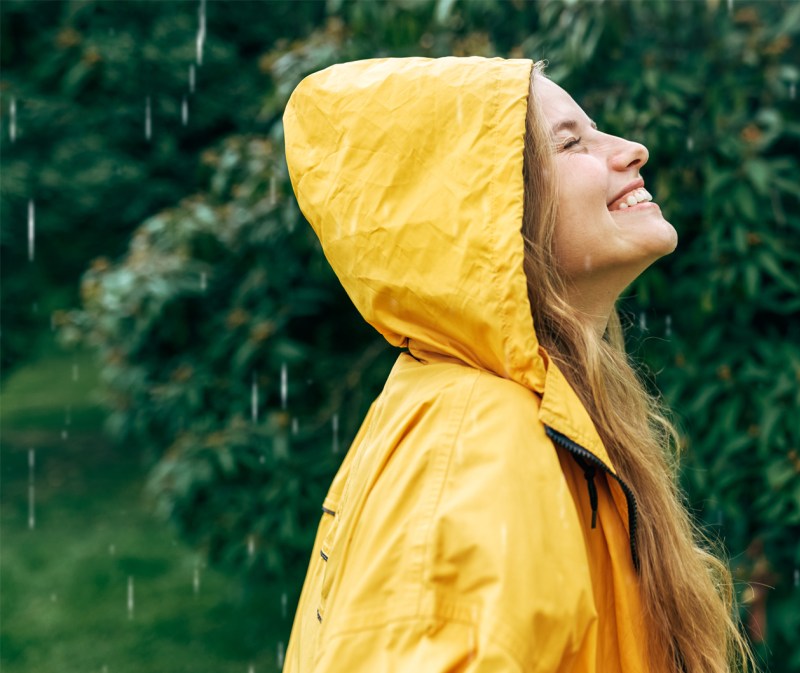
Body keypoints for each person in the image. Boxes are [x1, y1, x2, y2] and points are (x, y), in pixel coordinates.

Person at [280, 56, 756, 673]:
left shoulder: (517, 404)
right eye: (570, 142)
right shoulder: (483, 437)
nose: (632, 150)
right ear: (481, 209)